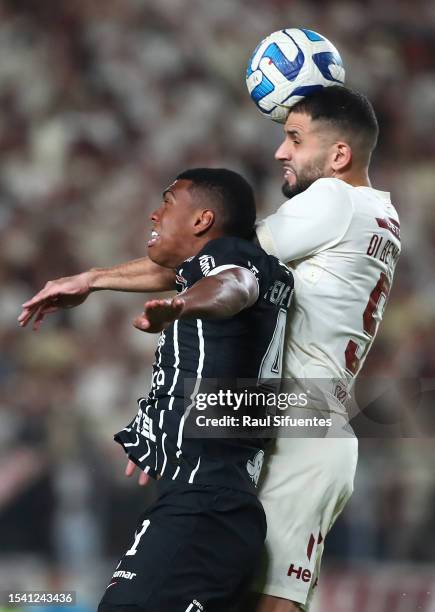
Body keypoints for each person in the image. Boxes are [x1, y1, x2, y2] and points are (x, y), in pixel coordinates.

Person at [19, 86, 401, 612]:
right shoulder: (381, 214)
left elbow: (216, 260)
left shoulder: (335, 200)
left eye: (294, 138)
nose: (280, 152)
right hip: (292, 424)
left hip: (300, 435)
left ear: (339, 155)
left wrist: (94, 279)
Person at [22, 167, 294, 612]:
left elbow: (233, 286)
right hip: (215, 505)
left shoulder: (234, 265)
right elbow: (181, 276)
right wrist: (91, 280)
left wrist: (181, 307)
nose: (153, 214)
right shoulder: (247, 266)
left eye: (167, 202)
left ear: (202, 220)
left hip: (200, 507)